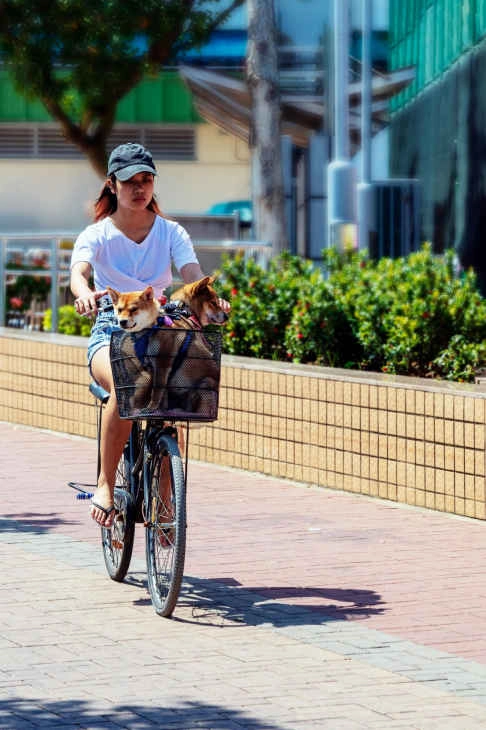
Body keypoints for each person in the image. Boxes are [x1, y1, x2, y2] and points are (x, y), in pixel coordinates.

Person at [70, 142, 228, 528]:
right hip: (111, 329)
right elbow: (79, 273)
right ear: (112, 185)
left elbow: (192, 274)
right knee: (126, 388)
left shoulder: (171, 232)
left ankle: (166, 503)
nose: (139, 188)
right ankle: (105, 485)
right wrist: (85, 294)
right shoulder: (97, 234)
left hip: (160, 328)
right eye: (130, 181)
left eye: (146, 179)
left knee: (173, 407)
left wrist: (210, 299)